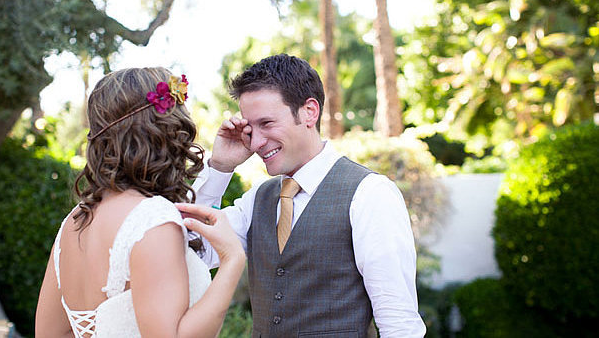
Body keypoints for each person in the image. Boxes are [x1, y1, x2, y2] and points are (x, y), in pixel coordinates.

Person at [191, 54, 426, 337]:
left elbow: (399, 324)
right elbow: (196, 252)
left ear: (309, 112)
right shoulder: (259, 199)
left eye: (267, 123)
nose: (255, 142)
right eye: (251, 128)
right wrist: (220, 167)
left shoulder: (370, 194)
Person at [35, 67, 245, 338]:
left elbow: (48, 333)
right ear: (167, 132)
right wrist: (231, 261)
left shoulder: (75, 221)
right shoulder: (152, 218)